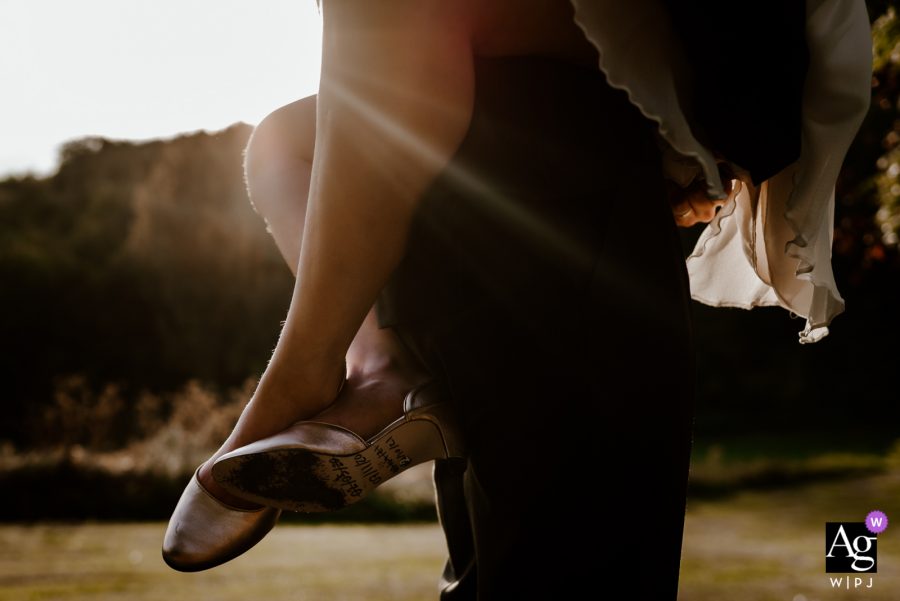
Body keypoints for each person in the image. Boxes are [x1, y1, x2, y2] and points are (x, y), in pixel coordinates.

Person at [163, 0, 872, 597]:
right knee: (278, 145)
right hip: (481, 252)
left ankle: (299, 380)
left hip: (582, 220)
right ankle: (381, 367)